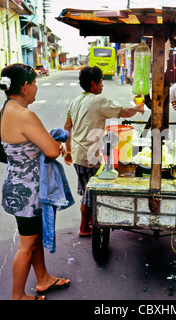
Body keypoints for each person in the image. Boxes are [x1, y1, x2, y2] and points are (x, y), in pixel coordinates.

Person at [0, 63, 70, 300]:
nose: (37, 88)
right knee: (26, 245)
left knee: (34, 238)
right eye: (35, 83)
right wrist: (58, 145)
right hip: (27, 192)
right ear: (26, 86)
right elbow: (50, 150)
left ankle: (43, 279)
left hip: (17, 185)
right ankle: (17, 296)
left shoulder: (6, 109)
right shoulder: (24, 114)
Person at [63, 66, 144, 236]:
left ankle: (90, 221)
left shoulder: (75, 101)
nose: (102, 86)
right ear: (93, 83)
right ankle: (84, 227)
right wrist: (139, 107)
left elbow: (67, 127)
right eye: (100, 82)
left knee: (86, 189)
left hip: (78, 153)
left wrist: (68, 151)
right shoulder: (98, 101)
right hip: (89, 156)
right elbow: (125, 112)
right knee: (89, 192)